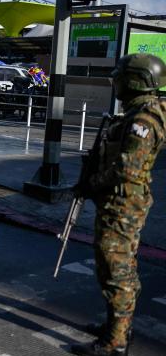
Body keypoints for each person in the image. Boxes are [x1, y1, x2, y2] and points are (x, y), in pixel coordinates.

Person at [70, 54, 166, 356]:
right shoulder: (136, 113)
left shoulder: (142, 121)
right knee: (120, 266)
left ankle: (116, 343)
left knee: (116, 270)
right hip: (120, 201)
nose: (116, 82)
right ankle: (119, 326)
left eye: (121, 77)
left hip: (122, 204)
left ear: (136, 81)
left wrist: (91, 183)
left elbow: (127, 169)